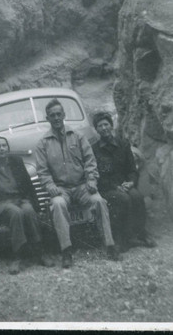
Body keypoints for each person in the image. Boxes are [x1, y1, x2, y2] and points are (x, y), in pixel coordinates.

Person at [35, 98, 120, 268]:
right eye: (53, 115)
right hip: (61, 189)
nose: (57, 118)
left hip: (81, 186)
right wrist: (50, 186)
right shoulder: (43, 144)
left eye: (59, 114)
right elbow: (42, 171)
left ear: (64, 115)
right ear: (48, 118)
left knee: (99, 201)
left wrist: (91, 179)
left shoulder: (78, 137)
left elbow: (90, 161)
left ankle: (109, 244)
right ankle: (66, 251)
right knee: (58, 205)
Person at [0, 136, 54, 274]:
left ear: (8, 148)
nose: (1, 149)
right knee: (16, 213)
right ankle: (17, 256)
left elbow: (28, 185)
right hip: (0, 204)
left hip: (19, 199)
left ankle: (40, 252)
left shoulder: (17, 162)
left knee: (29, 211)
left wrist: (36, 205)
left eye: (4, 146)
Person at [92, 111, 156, 250]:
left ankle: (141, 232)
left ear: (111, 125)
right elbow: (97, 176)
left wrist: (131, 182)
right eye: (100, 126)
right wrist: (115, 186)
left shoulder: (123, 145)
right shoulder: (94, 150)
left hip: (125, 185)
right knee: (123, 199)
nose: (104, 128)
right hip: (107, 188)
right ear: (96, 129)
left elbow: (132, 170)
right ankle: (121, 238)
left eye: (106, 124)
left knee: (137, 196)